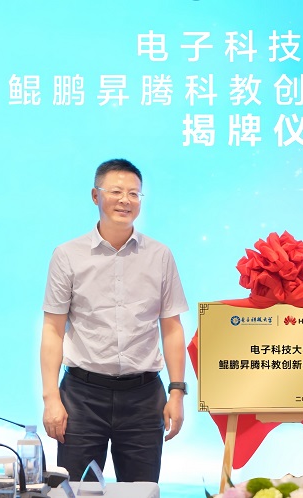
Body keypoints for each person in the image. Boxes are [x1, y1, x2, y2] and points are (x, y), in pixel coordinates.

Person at [40, 158, 189, 482]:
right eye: (116, 192)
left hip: (144, 397)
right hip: (81, 396)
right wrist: (51, 398)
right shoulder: (68, 255)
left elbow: (172, 327)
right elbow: (53, 329)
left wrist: (177, 392)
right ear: (96, 195)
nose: (125, 200)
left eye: (134, 194)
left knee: (141, 491)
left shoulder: (160, 255)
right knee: (75, 490)